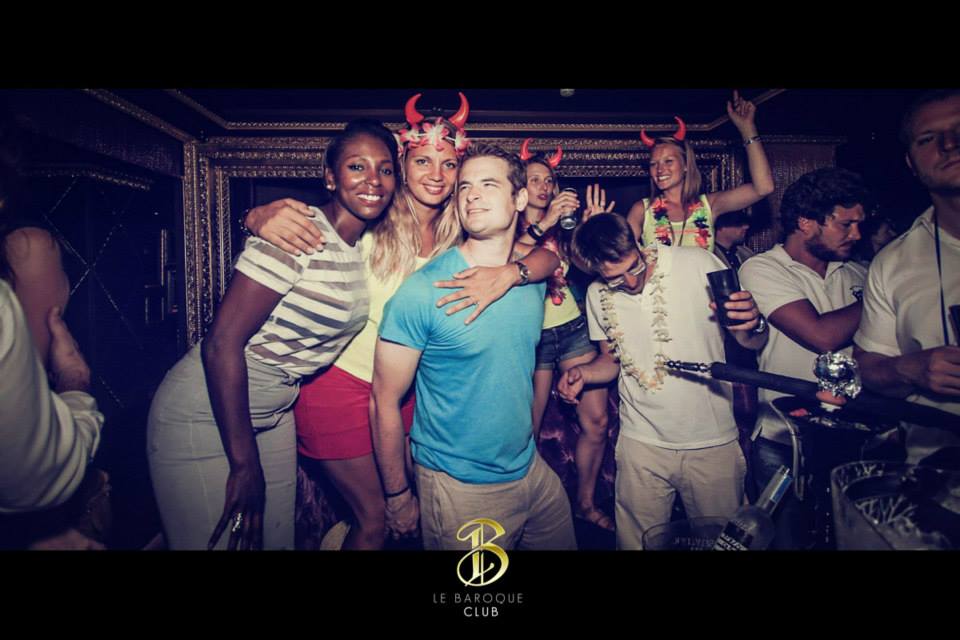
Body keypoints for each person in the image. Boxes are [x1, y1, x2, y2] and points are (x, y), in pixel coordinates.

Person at [241, 94, 560, 549]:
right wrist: (254, 216)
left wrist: (512, 273)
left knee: (408, 517)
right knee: (378, 518)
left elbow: (543, 256)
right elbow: (310, 225)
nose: (436, 174)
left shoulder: (460, 230)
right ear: (402, 167)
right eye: (422, 160)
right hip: (342, 385)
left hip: (407, 392)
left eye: (449, 164)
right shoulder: (369, 216)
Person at [147, 119, 398, 550]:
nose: (373, 180)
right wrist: (244, 465)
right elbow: (221, 344)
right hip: (208, 411)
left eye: (386, 169)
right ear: (330, 177)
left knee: (274, 541)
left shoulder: (357, 247)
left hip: (277, 410)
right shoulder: (296, 232)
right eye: (357, 166)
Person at [371, 143, 576, 551]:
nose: (472, 196)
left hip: (531, 469)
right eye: (464, 187)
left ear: (520, 199)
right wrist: (397, 496)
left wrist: (510, 274)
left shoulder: (529, 272)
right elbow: (383, 401)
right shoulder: (425, 291)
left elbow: (548, 260)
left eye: (488, 185)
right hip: (460, 487)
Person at [559, 213, 767, 550]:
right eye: (615, 278)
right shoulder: (598, 294)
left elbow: (750, 342)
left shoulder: (698, 263)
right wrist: (584, 373)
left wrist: (753, 324)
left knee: (720, 544)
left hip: (711, 441)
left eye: (635, 267)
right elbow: (611, 360)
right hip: (641, 443)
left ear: (637, 242)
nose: (630, 281)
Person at [738, 167, 869, 549]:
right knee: (788, 541)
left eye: (859, 224)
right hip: (783, 438)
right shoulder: (763, 268)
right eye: (845, 224)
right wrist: (879, 298)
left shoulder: (858, 272)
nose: (856, 235)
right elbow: (821, 336)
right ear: (806, 223)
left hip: (852, 436)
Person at [854, 90, 960, 469]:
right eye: (928, 138)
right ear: (911, 163)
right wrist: (911, 369)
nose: (949, 144)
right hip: (938, 484)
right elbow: (867, 365)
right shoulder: (893, 261)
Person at [514, 138, 616, 531]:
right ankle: (522, 510)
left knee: (597, 421)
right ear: (520, 187)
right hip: (533, 337)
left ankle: (585, 504)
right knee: (527, 428)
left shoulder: (565, 226)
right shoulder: (506, 223)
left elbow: (592, 268)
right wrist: (545, 223)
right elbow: (511, 261)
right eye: (534, 179)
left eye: (548, 180)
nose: (543, 186)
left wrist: (593, 230)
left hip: (573, 329)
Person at [625, 90, 774, 251]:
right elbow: (622, 255)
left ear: (685, 165)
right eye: (653, 164)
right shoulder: (642, 210)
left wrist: (748, 129)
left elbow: (764, 188)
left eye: (668, 161)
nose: (660, 169)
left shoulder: (709, 205)